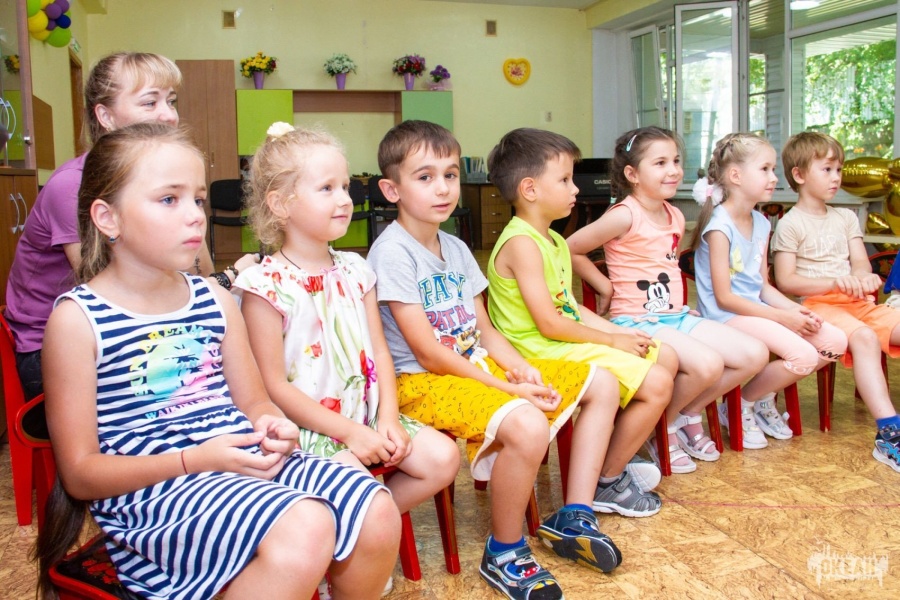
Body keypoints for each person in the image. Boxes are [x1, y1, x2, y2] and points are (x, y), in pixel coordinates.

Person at [34, 123, 400, 600]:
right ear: (108, 217)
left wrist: (272, 424)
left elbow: (255, 402)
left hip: (236, 459)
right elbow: (81, 474)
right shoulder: (78, 320)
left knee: (376, 510)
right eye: (170, 199)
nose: (195, 216)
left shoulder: (214, 299)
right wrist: (195, 460)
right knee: (306, 525)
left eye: (198, 200)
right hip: (156, 493)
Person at [368, 120, 628, 600]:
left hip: (475, 368)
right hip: (421, 382)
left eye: (450, 175)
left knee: (603, 383)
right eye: (425, 177)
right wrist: (509, 388)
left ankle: (575, 514)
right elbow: (428, 352)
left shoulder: (456, 248)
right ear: (392, 189)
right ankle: (504, 551)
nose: (443, 188)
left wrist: (516, 367)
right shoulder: (392, 253)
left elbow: (485, 330)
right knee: (526, 423)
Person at [4, 52, 257, 407]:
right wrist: (228, 279)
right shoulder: (71, 187)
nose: (168, 115)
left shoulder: (169, 178)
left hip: (142, 318)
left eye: (171, 101)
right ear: (105, 116)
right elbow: (112, 299)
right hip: (60, 342)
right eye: (150, 102)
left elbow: (198, 277)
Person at [236, 123, 460, 519]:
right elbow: (273, 386)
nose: (344, 199)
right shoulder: (263, 286)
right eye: (326, 188)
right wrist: (349, 433)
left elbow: (380, 351)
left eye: (345, 186)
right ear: (280, 204)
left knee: (443, 459)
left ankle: (360, 530)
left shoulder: (357, 269)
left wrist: (387, 417)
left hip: (367, 414)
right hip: (310, 432)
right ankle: (362, 526)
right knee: (362, 495)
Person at [484, 128, 676, 504]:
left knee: (663, 354)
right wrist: (611, 340)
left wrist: (621, 336)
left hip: (559, 340)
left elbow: (570, 308)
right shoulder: (522, 243)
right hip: (538, 351)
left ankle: (614, 451)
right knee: (657, 384)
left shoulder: (553, 240)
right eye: (565, 180)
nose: (575, 188)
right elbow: (549, 324)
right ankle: (607, 479)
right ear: (530, 189)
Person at [568, 126, 770, 462]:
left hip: (675, 316)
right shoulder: (624, 215)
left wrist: (681, 305)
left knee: (754, 354)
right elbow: (570, 248)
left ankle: (683, 414)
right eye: (660, 163)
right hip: (638, 321)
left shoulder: (674, 214)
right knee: (708, 365)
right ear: (632, 174)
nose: (674, 170)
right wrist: (603, 285)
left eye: (675, 161)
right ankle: (663, 428)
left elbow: (667, 265)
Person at [691, 132, 848, 442]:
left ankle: (761, 397)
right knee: (803, 356)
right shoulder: (719, 227)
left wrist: (796, 311)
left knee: (835, 340)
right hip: (725, 316)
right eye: (765, 169)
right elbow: (724, 298)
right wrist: (782, 317)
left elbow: (762, 285)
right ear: (735, 176)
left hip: (757, 311)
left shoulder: (762, 222)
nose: (774, 177)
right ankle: (742, 403)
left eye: (773, 169)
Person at [773, 131, 900, 472]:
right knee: (864, 337)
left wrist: (863, 277)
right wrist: (833, 282)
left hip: (857, 302)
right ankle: (890, 432)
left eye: (839, 170)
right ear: (799, 175)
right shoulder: (790, 224)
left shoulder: (845, 217)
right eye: (827, 169)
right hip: (819, 307)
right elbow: (786, 280)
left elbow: (860, 263)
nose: (836, 177)